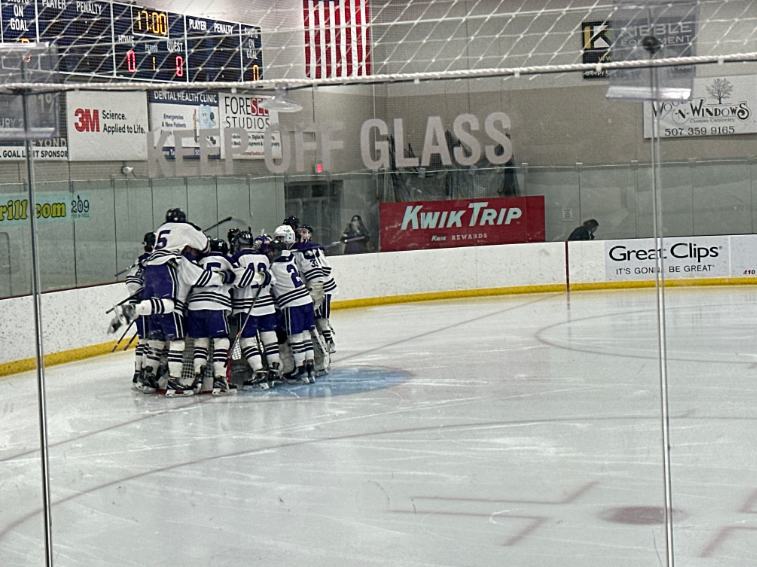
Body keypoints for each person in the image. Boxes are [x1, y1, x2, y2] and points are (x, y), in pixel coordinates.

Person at [108, 208, 230, 397]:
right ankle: (174, 382)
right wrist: (224, 276)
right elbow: (205, 249)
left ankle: (147, 376)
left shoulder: (161, 231)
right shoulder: (183, 257)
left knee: (154, 339)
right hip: (168, 272)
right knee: (176, 333)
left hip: (152, 271)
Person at [230, 232, 281, 389]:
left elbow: (236, 281)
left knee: (248, 340)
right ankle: (274, 369)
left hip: (247, 306)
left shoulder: (236, 258)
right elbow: (271, 279)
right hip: (266, 305)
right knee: (269, 337)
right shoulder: (264, 257)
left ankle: (259, 372)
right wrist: (261, 277)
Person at [186, 238, 237, 396]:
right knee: (221, 341)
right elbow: (238, 276)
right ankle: (220, 379)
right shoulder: (227, 260)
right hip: (216, 305)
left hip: (194, 306)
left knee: (200, 343)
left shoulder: (197, 261)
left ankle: (198, 378)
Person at [268, 224, 316, 382]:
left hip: (292, 303)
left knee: (295, 338)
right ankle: (310, 368)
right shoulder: (291, 257)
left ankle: (300, 370)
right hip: (306, 300)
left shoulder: (273, 266)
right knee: (306, 335)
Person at [294, 225, 338, 357]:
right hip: (314, 286)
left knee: (321, 318)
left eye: (305, 232)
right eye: (300, 232)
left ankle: (329, 342)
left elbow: (326, 268)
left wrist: (317, 284)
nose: (303, 235)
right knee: (315, 317)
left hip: (324, 287)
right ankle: (321, 343)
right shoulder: (301, 249)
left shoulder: (313, 249)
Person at [124, 232, 155, 390]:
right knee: (150, 340)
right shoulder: (155, 259)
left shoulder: (140, 260)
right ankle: (143, 373)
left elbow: (130, 283)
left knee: (143, 339)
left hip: (135, 303)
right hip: (145, 303)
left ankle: (138, 373)